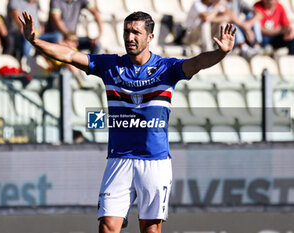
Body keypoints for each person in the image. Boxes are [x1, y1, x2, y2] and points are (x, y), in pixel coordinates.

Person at [18, 11, 236, 233]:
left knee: (150, 229)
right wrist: (34, 40)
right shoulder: (110, 66)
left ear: (150, 37)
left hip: (154, 162)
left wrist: (221, 53)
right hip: (119, 159)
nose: (130, 37)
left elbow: (197, 62)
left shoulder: (167, 69)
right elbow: (70, 56)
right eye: (126, 32)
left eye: (136, 32)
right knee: (107, 227)